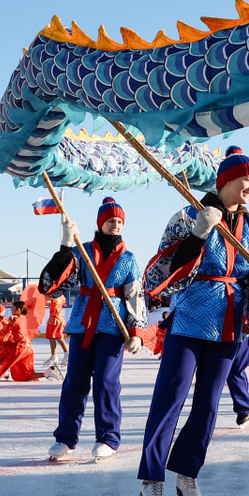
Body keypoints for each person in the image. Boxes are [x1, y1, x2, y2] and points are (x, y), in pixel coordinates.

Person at [137, 146, 249, 496]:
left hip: (228, 328)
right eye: (246, 178)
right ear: (225, 180)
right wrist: (196, 235)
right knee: (170, 398)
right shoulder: (188, 215)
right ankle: (152, 479)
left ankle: (187, 471)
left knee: (208, 406)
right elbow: (160, 275)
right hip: (190, 319)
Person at [40, 197, 146, 461]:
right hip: (83, 324)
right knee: (74, 382)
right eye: (111, 221)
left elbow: (134, 295)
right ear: (101, 222)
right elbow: (55, 284)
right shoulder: (81, 250)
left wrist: (136, 332)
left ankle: (108, 437)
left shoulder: (129, 258)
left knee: (106, 383)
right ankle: (65, 438)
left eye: (120, 221)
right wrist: (65, 245)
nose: (116, 225)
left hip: (112, 326)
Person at [0, 300, 41, 381]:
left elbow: (6, 330)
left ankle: (2, 372)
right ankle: (47, 373)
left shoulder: (15, 319)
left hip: (20, 347)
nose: (11, 310)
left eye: (12, 308)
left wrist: (3, 323)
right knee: (25, 375)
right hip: (29, 348)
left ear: (19, 309)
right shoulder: (25, 318)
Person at [44, 294, 69, 376]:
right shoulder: (58, 296)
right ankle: (54, 356)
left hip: (56, 318)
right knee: (51, 337)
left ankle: (67, 354)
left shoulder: (57, 296)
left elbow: (46, 299)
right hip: (53, 318)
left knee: (59, 337)